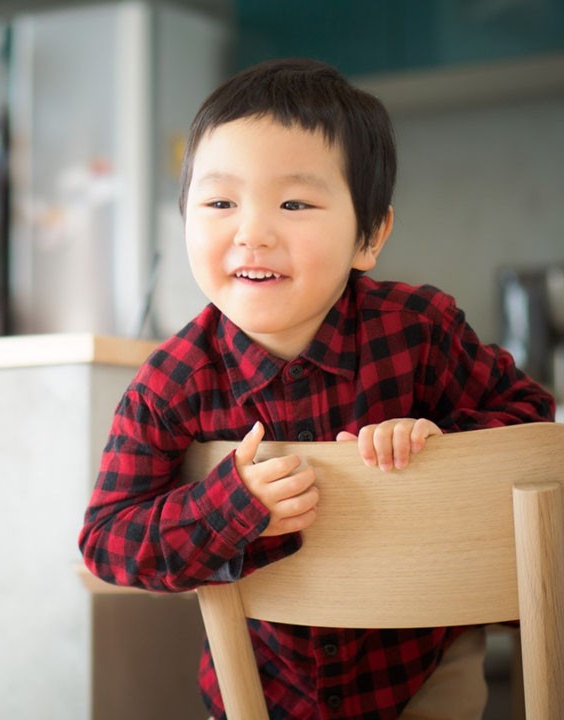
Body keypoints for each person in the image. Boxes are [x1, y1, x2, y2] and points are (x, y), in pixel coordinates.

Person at [78, 58, 555, 719]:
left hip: (421, 670)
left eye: (294, 203)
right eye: (219, 202)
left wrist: (445, 442)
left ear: (370, 235)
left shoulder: (420, 330)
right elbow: (106, 540)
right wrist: (228, 508)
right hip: (261, 688)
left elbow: (535, 426)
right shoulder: (169, 383)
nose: (252, 232)